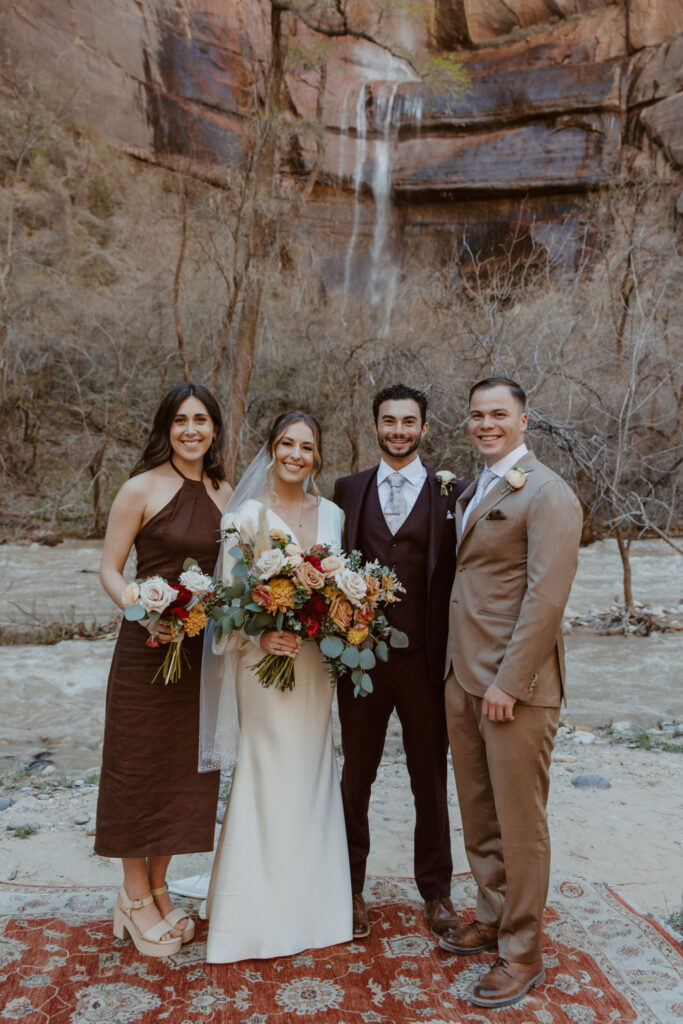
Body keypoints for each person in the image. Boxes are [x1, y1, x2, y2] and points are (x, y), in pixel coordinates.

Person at [442, 376, 583, 1009]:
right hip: (462, 676)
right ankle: (492, 916)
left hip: (513, 688)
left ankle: (523, 952)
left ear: (525, 420)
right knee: (479, 813)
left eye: (498, 414)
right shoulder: (477, 488)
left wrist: (510, 682)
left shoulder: (549, 494)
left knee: (520, 823)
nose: (485, 423)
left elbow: (546, 599)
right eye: (476, 414)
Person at [202, 411, 352, 963]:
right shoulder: (244, 515)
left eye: (307, 446)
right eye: (286, 443)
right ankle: (251, 917)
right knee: (267, 771)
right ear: (270, 450)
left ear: (317, 457)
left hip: (315, 666)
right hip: (263, 666)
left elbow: (339, 587)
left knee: (313, 773)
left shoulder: (333, 513)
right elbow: (227, 600)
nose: (296, 454)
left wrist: (346, 618)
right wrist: (261, 639)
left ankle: (316, 909)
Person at [95, 382, 232, 957]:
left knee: (185, 771)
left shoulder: (227, 492)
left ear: (216, 430)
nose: (191, 430)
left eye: (201, 420)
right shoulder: (139, 489)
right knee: (137, 767)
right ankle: (131, 894)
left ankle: (158, 884)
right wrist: (143, 611)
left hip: (201, 654)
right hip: (145, 650)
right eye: (181, 421)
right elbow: (109, 568)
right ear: (166, 428)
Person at [333, 383, 467, 940]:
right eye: (389, 421)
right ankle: (349, 887)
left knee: (429, 779)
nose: (398, 431)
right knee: (355, 777)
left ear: (424, 429)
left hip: (425, 664)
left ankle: (436, 893)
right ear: (375, 426)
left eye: (409, 422)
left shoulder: (453, 493)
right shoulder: (347, 491)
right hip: (361, 661)